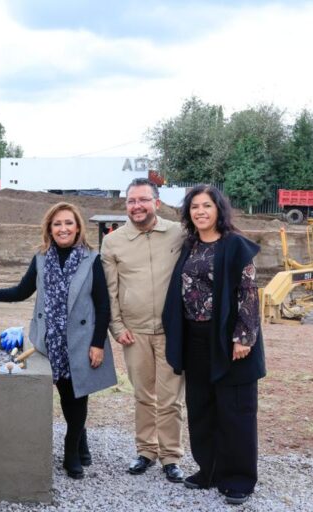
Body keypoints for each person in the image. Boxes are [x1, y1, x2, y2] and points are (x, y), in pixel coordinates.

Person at [0, 202, 116, 480]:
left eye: (68, 223)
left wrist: (98, 343)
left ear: (77, 228)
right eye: (57, 224)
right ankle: (81, 438)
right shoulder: (41, 258)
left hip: (81, 340)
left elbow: (103, 305)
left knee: (79, 396)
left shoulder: (91, 259)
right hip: (52, 341)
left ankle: (71, 450)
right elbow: (21, 291)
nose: (63, 228)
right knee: (66, 395)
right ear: (49, 229)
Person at [162, 185, 265, 505]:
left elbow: (248, 292)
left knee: (235, 410)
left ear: (219, 209)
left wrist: (243, 337)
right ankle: (209, 469)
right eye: (194, 207)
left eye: (207, 205)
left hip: (230, 340)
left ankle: (238, 478)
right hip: (195, 339)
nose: (200, 211)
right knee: (202, 407)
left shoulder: (234, 246)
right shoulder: (189, 246)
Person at [100, 177, 186, 482]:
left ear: (157, 203)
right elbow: (110, 289)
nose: (137, 206)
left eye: (143, 200)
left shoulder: (178, 234)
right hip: (133, 333)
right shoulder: (113, 242)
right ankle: (146, 451)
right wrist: (117, 326)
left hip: (171, 332)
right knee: (142, 395)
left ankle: (171, 456)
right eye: (131, 201)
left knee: (171, 398)